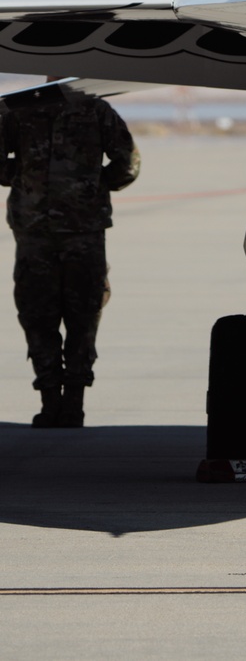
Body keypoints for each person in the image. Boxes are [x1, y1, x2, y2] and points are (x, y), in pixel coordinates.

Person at [0, 82, 140, 428]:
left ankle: (55, 403)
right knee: (79, 314)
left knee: (43, 314)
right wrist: (90, 187)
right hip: (78, 228)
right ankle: (69, 402)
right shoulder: (94, 108)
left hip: (38, 229)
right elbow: (127, 163)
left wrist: (25, 183)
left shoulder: (16, 108)